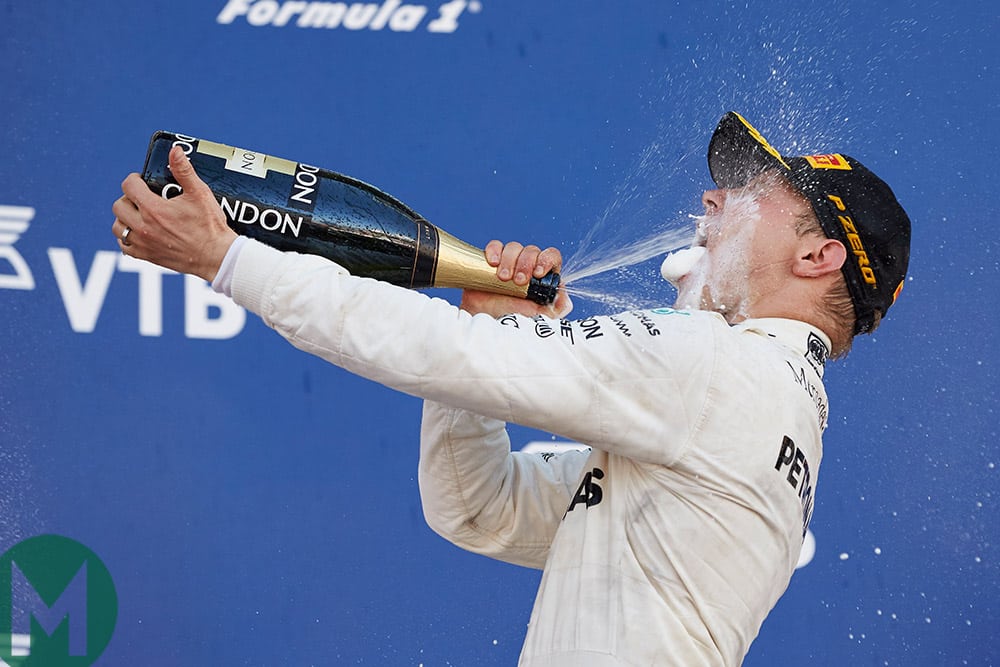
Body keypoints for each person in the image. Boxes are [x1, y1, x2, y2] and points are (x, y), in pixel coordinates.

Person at [112, 111, 911, 666]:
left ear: (818, 259)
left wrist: (227, 258)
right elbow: (477, 507)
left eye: (753, 192)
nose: (711, 201)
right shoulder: (764, 404)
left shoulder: (720, 369)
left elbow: (431, 347)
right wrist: (489, 327)